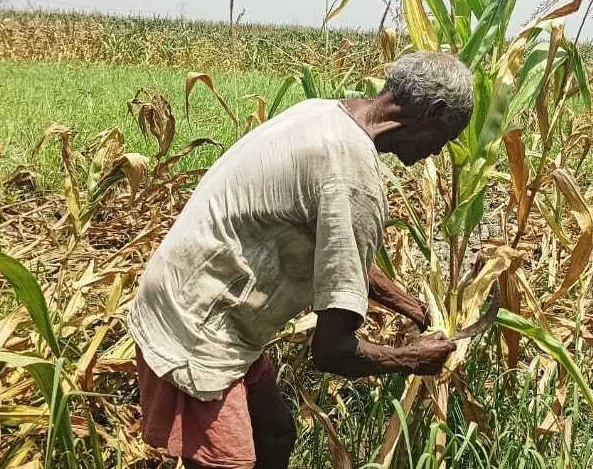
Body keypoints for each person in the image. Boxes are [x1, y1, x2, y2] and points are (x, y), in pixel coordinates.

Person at [127, 51, 474, 469]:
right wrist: (413, 360)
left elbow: (340, 254)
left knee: (275, 434)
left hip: (202, 297)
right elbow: (330, 352)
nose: (439, 152)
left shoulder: (325, 114)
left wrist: (412, 308)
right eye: (447, 137)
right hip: (198, 328)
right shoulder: (353, 179)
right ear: (434, 113)